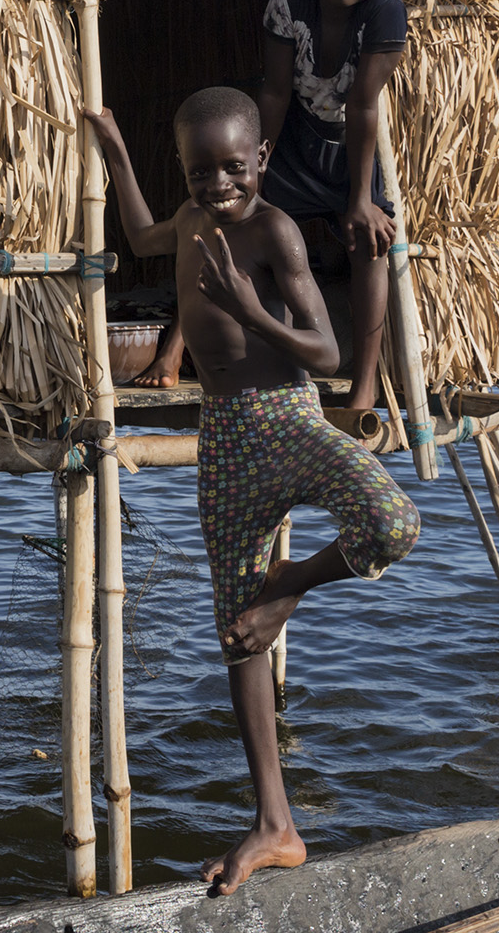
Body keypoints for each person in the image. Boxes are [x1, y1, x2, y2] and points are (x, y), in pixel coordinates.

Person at [81, 86, 420, 896]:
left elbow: (327, 353)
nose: (218, 184)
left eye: (234, 167)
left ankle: (287, 590)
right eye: (201, 171)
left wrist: (247, 309)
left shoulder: (275, 231)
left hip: (289, 422)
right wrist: (118, 150)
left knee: (392, 521)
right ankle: (276, 824)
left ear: (261, 160)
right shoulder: (193, 222)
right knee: (239, 636)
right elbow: (137, 234)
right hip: (226, 438)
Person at [132, 0, 407, 410]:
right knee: (228, 219)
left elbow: (365, 104)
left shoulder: (385, 13)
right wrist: (261, 164)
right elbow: (277, 93)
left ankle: (364, 384)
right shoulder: (290, 0)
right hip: (293, 138)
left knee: (372, 243)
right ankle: (173, 350)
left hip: (348, 148)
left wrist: (360, 200)